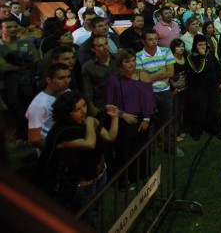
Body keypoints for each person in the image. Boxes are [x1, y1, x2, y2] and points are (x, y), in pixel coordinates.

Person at [39, 90, 118, 224]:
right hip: (82, 183)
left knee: (94, 210)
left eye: (84, 106)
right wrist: (89, 124)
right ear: (66, 113)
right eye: (77, 109)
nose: (83, 111)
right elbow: (90, 143)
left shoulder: (89, 121)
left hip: (99, 175)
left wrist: (115, 117)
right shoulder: (62, 132)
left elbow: (110, 137)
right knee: (84, 217)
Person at [104, 49, 154, 190]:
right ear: (120, 64)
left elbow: (149, 100)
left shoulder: (142, 76)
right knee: (124, 152)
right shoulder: (114, 80)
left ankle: (143, 175)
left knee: (142, 150)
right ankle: (125, 179)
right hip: (122, 121)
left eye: (133, 60)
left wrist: (146, 119)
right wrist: (122, 114)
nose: (132, 64)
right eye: (127, 62)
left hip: (140, 119)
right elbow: (108, 104)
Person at [136, 29, 183, 157]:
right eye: (150, 39)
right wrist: (161, 72)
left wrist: (150, 77)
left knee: (168, 121)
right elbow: (141, 79)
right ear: (143, 41)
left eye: (156, 39)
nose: (154, 42)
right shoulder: (138, 56)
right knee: (149, 124)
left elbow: (170, 73)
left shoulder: (165, 51)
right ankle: (150, 150)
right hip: (148, 95)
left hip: (165, 92)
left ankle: (170, 147)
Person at [187, 34, 221, 141]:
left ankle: (217, 129)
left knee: (214, 110)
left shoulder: (210, 53)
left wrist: (220, 82)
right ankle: (196, 131)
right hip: (199, 89)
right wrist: (202, 56)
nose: (202, 47)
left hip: (213, 87)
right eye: (200, 45)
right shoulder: (191, 56)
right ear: (195, 45)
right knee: (199, 111)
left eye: (204, 44)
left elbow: (217, 67)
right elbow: (198, 71)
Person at [26, 63, 72, 153]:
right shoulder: (39, 105)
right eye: (61, 78)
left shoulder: (67, 92)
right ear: (48, 79)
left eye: (69, 77)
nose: (67, 81)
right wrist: (53, 150)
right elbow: (34, 139)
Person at [169, 38, 189, 142]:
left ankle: (181, 130)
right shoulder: (170, 59)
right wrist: (172, 88)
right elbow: (168, 76)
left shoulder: (185, 56)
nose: (181, 48)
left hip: (185, 88)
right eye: (178, 46)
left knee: (182, 110)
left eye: (182, 46)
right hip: (175, 90)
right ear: (173, 48)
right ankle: (174, 133)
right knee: (175, 112)